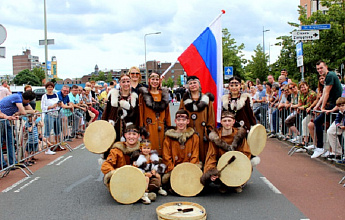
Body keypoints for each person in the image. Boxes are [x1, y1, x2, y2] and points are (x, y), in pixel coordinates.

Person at [201, 111, 260, 193]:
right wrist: (211, 171)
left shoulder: (240, 136)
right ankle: (223, 183)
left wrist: (241, 166)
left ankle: (238, 183)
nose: (227, 123)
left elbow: (246, 153)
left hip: (236, 164)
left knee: (246, 163)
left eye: (229, 120)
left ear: (233, 122)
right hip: (221, 165)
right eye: (225, 121)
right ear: (221, 122)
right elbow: (211, 156)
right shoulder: (215, 137)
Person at [100, 124, 154, 204]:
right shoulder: (117, 150)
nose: (131, 137)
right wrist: (116, 172)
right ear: (125, 135)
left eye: (134, 134)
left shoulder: (142, 148)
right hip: (121, 179)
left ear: (138, 136)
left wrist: (150, 171)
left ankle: (141, 193)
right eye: (129, 134)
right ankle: (140, 194)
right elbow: (106, 165)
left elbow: (151, 160)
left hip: (138, 175)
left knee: (155, 181)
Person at [179, 76, 215, 163]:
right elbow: (180, 116)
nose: (193, 85)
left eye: (195, 83)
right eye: (190, 83)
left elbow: (210, 116)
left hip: (203, 133)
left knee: (204, 156)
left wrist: (209, 130)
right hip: (188, 132)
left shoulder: (206, 99)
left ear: (199, 85)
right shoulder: (184, 100)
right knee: (190, 156)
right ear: (188, 86)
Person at [311, 61, 342, 158]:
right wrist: (317, 106)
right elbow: (323, 94)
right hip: (334, 104)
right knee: (332, 129)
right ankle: (335, 152)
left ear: (326, 67)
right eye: (318, 69)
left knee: (318, 122)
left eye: (321, 68)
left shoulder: (330, 76)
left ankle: (321, 148)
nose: (319, 70)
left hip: (336, 105)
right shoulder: (328, 77)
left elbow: (327, 93)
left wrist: (323, 107)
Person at [162, 109, 200, 186]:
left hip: (189, 168)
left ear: (188, 121)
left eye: (184, 120)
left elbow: (195, 155)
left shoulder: (194, 137)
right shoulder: (168, 138)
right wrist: (173, 169)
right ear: (175, 121)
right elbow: (166, 156)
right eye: (179, 120)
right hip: (174, 169)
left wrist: (189, 169)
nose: (181, 122)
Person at [0, 90, 36, 167]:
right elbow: (24, 112)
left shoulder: (21, 98)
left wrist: (19, 112)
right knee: (2, 142)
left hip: (7, 119)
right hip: (2, 119)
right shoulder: (17, 97)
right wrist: (20, 112)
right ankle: (3, 164)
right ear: (28, 100)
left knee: (10, 141)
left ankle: (13, 162)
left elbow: (32, 111)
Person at [138, 72, 171, 156]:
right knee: (149, 150)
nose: (155, 81)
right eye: (153, 79)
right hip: (149, 127)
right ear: (149, 80)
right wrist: (142, 128)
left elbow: (167, 113)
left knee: (163, 150)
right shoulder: (143, 95)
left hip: (161, 127)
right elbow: (141, 112)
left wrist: (169, 127)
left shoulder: (164, 95)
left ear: (160, 81)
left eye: (157, 79)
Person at [102, 73, 139, 143]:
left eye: (128, 81)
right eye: (123, 82)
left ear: (130, 82)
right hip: (113, 128)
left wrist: (136, 130)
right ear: (120, 83)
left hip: (129, 131)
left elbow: (136, 116)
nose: (126, 84)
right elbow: (106, 112)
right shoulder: (113, 95)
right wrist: (104, 126)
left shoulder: (134, 98)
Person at [41, 82, 61, 154]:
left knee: (57, 131)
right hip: (49, 115)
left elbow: (58, 104)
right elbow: (42, 107)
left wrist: (58, 104)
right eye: (48, 87)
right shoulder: (44, 96)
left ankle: (57, 145)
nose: (50, 88)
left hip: (56, 114)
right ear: (46, 88)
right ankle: (47, 149)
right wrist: (51, 106)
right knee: (48, 132)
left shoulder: (55, 95)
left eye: (51, 87)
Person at [296, 81, 317, 147]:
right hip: (308, 112)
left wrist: (300, 107)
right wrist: (299, 107)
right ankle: (305, 140)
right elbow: (300, 103)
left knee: (306, 123)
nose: (303, 88)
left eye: (304, 86)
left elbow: (308, 104)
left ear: (307, 86)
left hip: (314, 112)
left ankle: (311, 142)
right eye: (301, 87)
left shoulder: (312, 93)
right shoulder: (301, 94)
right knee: (304, 122)